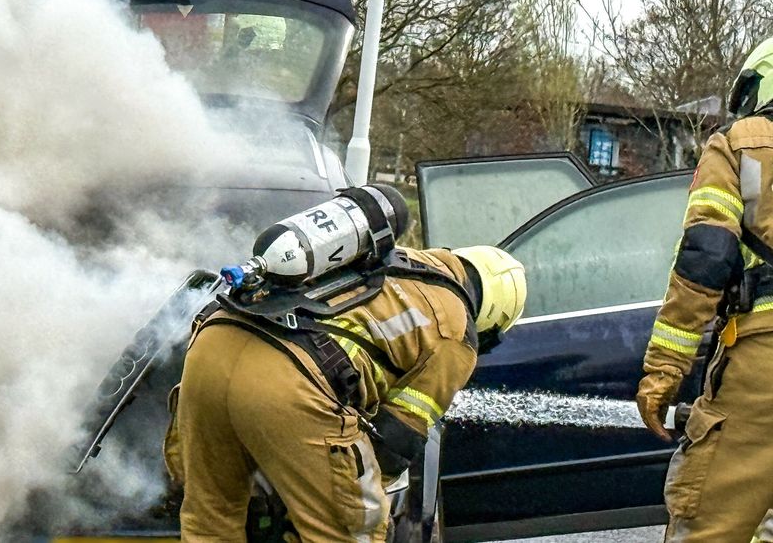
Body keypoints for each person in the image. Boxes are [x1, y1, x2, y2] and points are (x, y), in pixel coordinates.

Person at [163, 190, 527, 542]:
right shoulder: (457, 334)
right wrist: (336, 486)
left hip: (212, 342)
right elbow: (396, 440)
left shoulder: (400, 258)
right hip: (287, 380)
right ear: (495, 316)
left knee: (210, 523)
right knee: (352, 531)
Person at [635, 37, 773, 542]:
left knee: (710, 524)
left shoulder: (741, 142)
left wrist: (664, 371)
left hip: (763, 367)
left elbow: (707, 257)